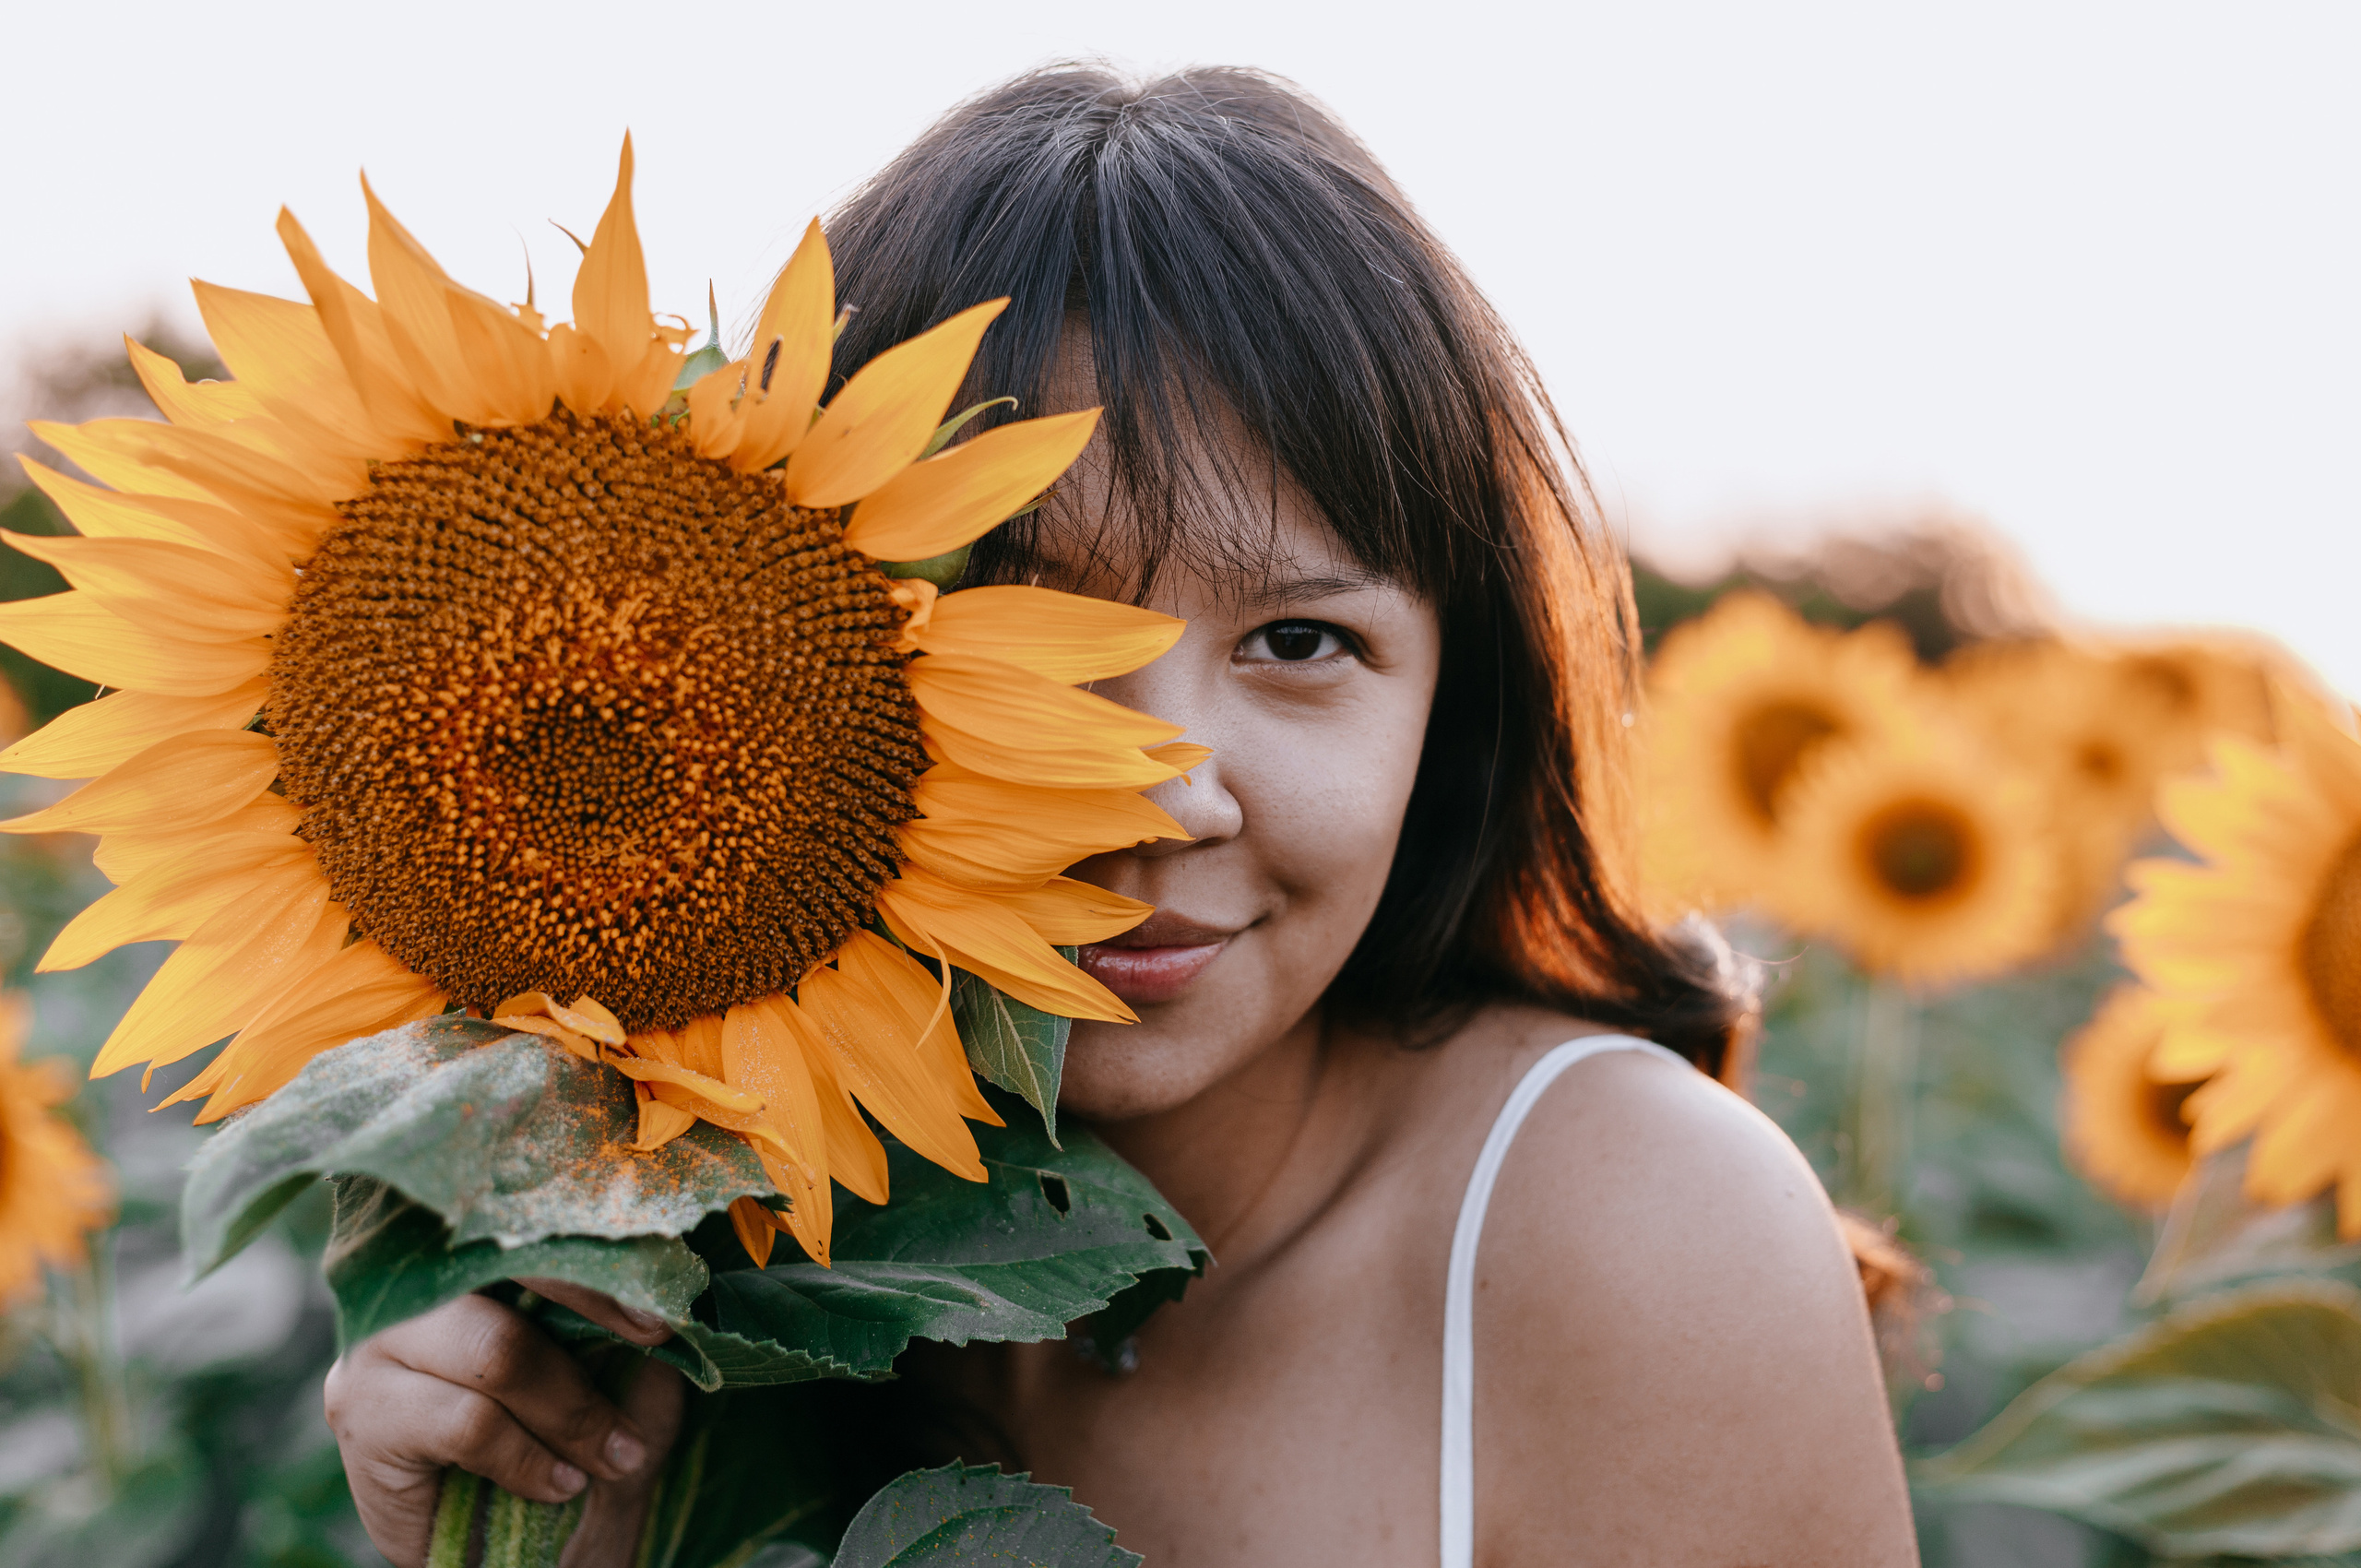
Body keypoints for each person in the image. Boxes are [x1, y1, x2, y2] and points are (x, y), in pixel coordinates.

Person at [325, 65, 1919, 1567]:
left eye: (1302, 644)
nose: (1166, 789)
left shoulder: (1635, 1233)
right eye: (1028, 632)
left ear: (1454, 710)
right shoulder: (701, 1249)